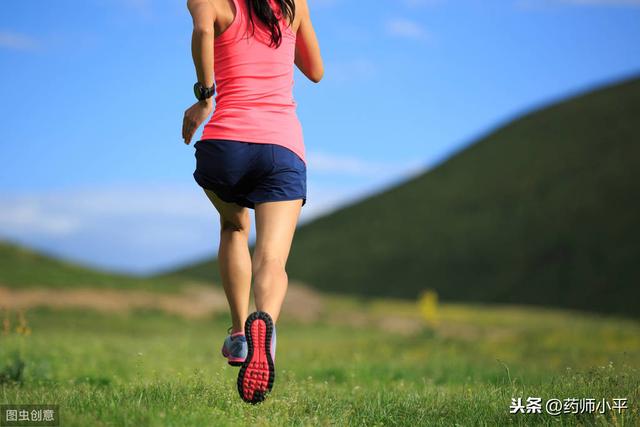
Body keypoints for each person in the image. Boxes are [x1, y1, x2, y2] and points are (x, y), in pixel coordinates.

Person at [182, 0, 323, 404]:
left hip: (226, 143)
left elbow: (204, 31)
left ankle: (239, 332)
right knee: (272, 260)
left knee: (234, 226)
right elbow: (315, 71)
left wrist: (205, 96)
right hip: (282, 147)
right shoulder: (294, 4)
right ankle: (268, 328)